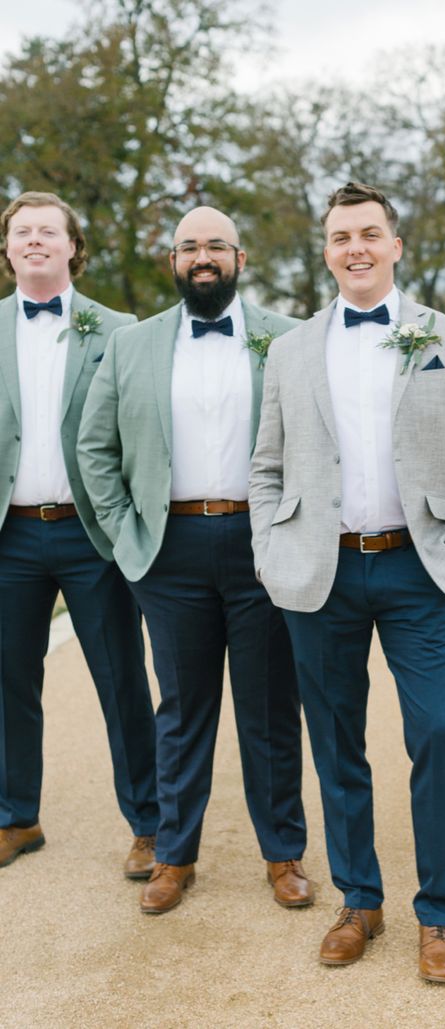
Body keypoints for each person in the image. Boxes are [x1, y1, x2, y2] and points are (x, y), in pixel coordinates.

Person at [249, 181, 445, 983]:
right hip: (318, 572)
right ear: (326, 251)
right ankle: (360, 898)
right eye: (339, 236)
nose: (354, 247)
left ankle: (438, 912)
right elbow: (265, 464)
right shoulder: (290, 348)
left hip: (418, 566)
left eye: (368, 233)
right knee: (335, 743)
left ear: (396, 244)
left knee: (436, 733)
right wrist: (271, 549)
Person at [78, 206, 312, 914]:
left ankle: (284, 854)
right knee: (181, 708)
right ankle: (173, 853)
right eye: (188, 246)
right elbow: (95, 449)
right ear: (172, 261)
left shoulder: (290, 340)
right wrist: (128, 538)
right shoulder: (131, 344)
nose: (202, 255)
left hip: (260, 544)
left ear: (240, 258)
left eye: (215, 244)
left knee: (270, 706)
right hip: (169, 551)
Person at [0, 191, 158, 876]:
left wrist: (130, 529)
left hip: (92, 536)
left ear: (72, 246)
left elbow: (139, 438)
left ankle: (150, 824)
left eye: (48, 231)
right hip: (11, 539)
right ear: (8, 249)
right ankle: (17, 816)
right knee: (8, 681)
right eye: (21, 231)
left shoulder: (119, 330)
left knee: (122, 678)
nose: (34, 240)